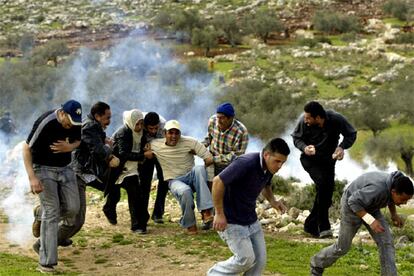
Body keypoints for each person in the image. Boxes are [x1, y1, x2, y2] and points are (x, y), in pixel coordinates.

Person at [32, 102, 120, 246]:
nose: (109, 121)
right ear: (97, 116)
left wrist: (104, 142)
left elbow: (90, 143)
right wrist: (109, 153)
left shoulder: (94, 127)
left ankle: (55, 236)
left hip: (85, 174)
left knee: (74, 214)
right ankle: (43, 241)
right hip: (78, 173)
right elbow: (97, 149)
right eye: (107, 117)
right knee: (76, 218)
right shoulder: (90, 126)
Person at [207, 138, 290, 276]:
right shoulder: (246, 163)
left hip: (250, 219)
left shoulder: (269, 168)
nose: (280, 166)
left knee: (260, 261)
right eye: (277, 161)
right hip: (231, 220)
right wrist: (219, 213)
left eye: (283, 162)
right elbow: (217, 182)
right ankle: (215, 274)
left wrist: (273, 202)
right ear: (266, 155)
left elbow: (266, 185)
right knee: (245, 259)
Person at [310, 171, 413, 276]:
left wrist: (394, 214)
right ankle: (317, 264)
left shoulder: (395, 184)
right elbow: (353, 201)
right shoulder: (378, 189)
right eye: (403, 199)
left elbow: (390, 199)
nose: (404, 203)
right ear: (394, 192)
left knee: (386, 241)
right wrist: (370, 220)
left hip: (371, 207)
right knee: (342, 247)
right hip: (351, 207)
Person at [22, 100, 82, 273]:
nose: (71, 126)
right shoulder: (46, 122)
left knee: (72, 209)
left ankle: (40, 214)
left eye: (74, 123)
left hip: (66, 168)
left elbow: (78, 141)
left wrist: (69, 147)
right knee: (52, 212)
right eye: (68, 122)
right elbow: (26, 149)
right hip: (43, 169)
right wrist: (32, 178)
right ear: (62, 113)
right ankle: (46, 262)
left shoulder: (75, 121)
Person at [291, 101, 357, 238]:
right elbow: (296, 138)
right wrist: (304, 147)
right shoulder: (303, 122)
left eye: (309, 118)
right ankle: (324, 226)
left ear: (318, 117)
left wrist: (341, 147)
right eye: (305, 117)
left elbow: (351, 134)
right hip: (310, 161)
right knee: (323, 185)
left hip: (328, 161)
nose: (305, 120)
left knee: (327, 193)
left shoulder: (336, 119)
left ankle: (310, 224)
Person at [148, 120, 214, 234]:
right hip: (174, 180)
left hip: (191, 176)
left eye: (176, 133)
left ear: (180, 134)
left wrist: (206, 177)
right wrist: (147, 153)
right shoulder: (155, 144)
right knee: (185, 191)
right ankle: (190, 223)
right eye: (170, 133)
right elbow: (144, 150)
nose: (174, 136)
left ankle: (206, 210)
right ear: (165, 133)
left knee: (199, 169)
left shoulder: (190, 142)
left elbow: (209, 158)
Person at [103, 109, 151, 234]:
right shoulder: (123, 133)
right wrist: (143, 156)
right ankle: (108, 210)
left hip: (132, 170)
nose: (140, 127)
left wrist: (146, 147)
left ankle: (138, 225)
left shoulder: (142, 132)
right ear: (131, 122)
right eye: (137, 124)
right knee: (114, 195)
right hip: (118, 169)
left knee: (135, 194)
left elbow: (144, 143)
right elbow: (124, 154)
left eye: (141, 123)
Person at [202, 102, 249, 176]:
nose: (218, 121)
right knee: (206, 182)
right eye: (218, 117)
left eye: (222, 118)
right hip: (211, 161)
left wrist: (214, 159)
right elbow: (208, 138)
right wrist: (198, 147)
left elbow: (236, 156)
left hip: (229, 166)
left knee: (223, 186)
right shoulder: (213, 120)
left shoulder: (241, 132)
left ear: (231, 118)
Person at [139, 112, 168, 224]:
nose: (153, 131)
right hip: (146, 152)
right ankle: (143, 214)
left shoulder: (163, 125)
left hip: (160, 151)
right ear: (145, 126)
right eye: (150, 128)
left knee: (164, 179)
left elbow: (166, 142)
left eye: (156, 128)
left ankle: (158, 213)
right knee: (145, 182)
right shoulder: (139, 122)